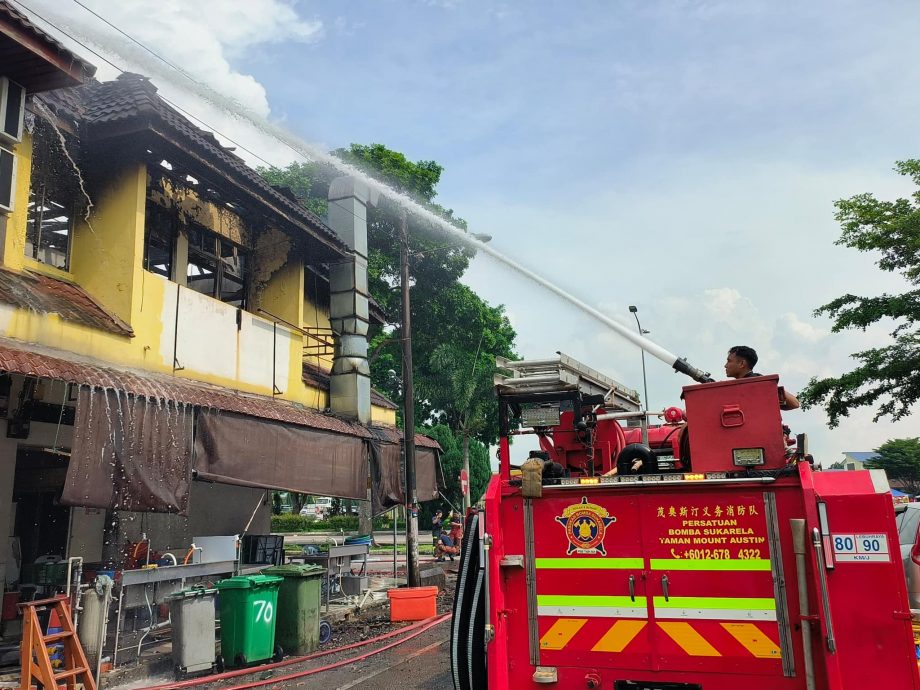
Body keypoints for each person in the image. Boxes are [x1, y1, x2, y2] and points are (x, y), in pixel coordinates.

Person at [724, 345, 800, 410]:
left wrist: (768, 385)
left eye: (729, 361)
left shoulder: (759, 383)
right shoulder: (733, 388)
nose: (725, 365)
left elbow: (795, 403)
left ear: (742, 364)